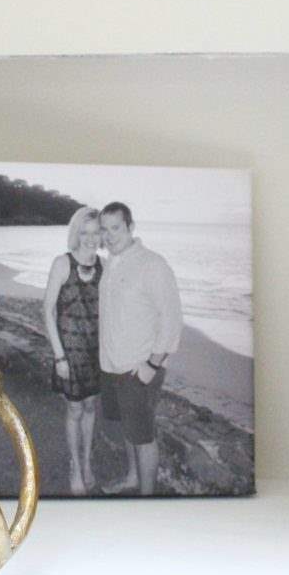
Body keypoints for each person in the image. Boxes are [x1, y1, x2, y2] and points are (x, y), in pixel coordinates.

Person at [97, 201, 183, 495]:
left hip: (139, 368)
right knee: (126, 428)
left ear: (131, 228)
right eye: (104, 230)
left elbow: (171, 320)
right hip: (111, 365)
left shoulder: (152, 265)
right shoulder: (111, 264)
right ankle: (132, 478)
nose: (109, 236)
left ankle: (147, 500)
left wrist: (152, 365)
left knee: (144, 436)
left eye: (116, 228)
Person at [44, 206, 104, 495]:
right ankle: (75, 466)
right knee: (75, 409)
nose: (91, 238)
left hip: (96, 353)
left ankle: (88, 461)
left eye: (96, 232)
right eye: (85, 232)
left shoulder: (105, 266)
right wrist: (59, 356)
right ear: (76, 232)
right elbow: (47, 311)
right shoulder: (62, 264)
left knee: (91, 407)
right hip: (70, 352)